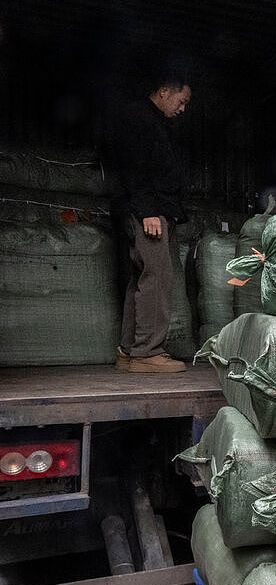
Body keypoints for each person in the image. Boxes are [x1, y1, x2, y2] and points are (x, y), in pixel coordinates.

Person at [108, 70, 193, 373]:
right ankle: (147, 352)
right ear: (164, 91)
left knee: (142, 277)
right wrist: (148, 212)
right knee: (158, 277)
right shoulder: (140, 119)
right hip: (148, 211)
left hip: (151, 209)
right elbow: (134, 168)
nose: (183, 109)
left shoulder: (152, 121)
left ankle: (129, 351)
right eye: (181, 101)